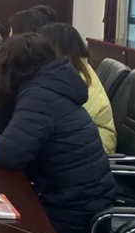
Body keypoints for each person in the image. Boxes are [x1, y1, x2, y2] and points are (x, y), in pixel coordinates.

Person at [0, 34, 116, 233]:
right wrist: (1, 95)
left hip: (74, 215)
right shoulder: (49, 84)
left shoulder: (40, 96)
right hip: (79, 202)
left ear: (9, 69)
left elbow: (8, 155)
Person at [40, 23, 117, 154]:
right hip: (83, 139)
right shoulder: (76, 68)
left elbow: (66, 121)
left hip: (97, 146)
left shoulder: (79, 79)